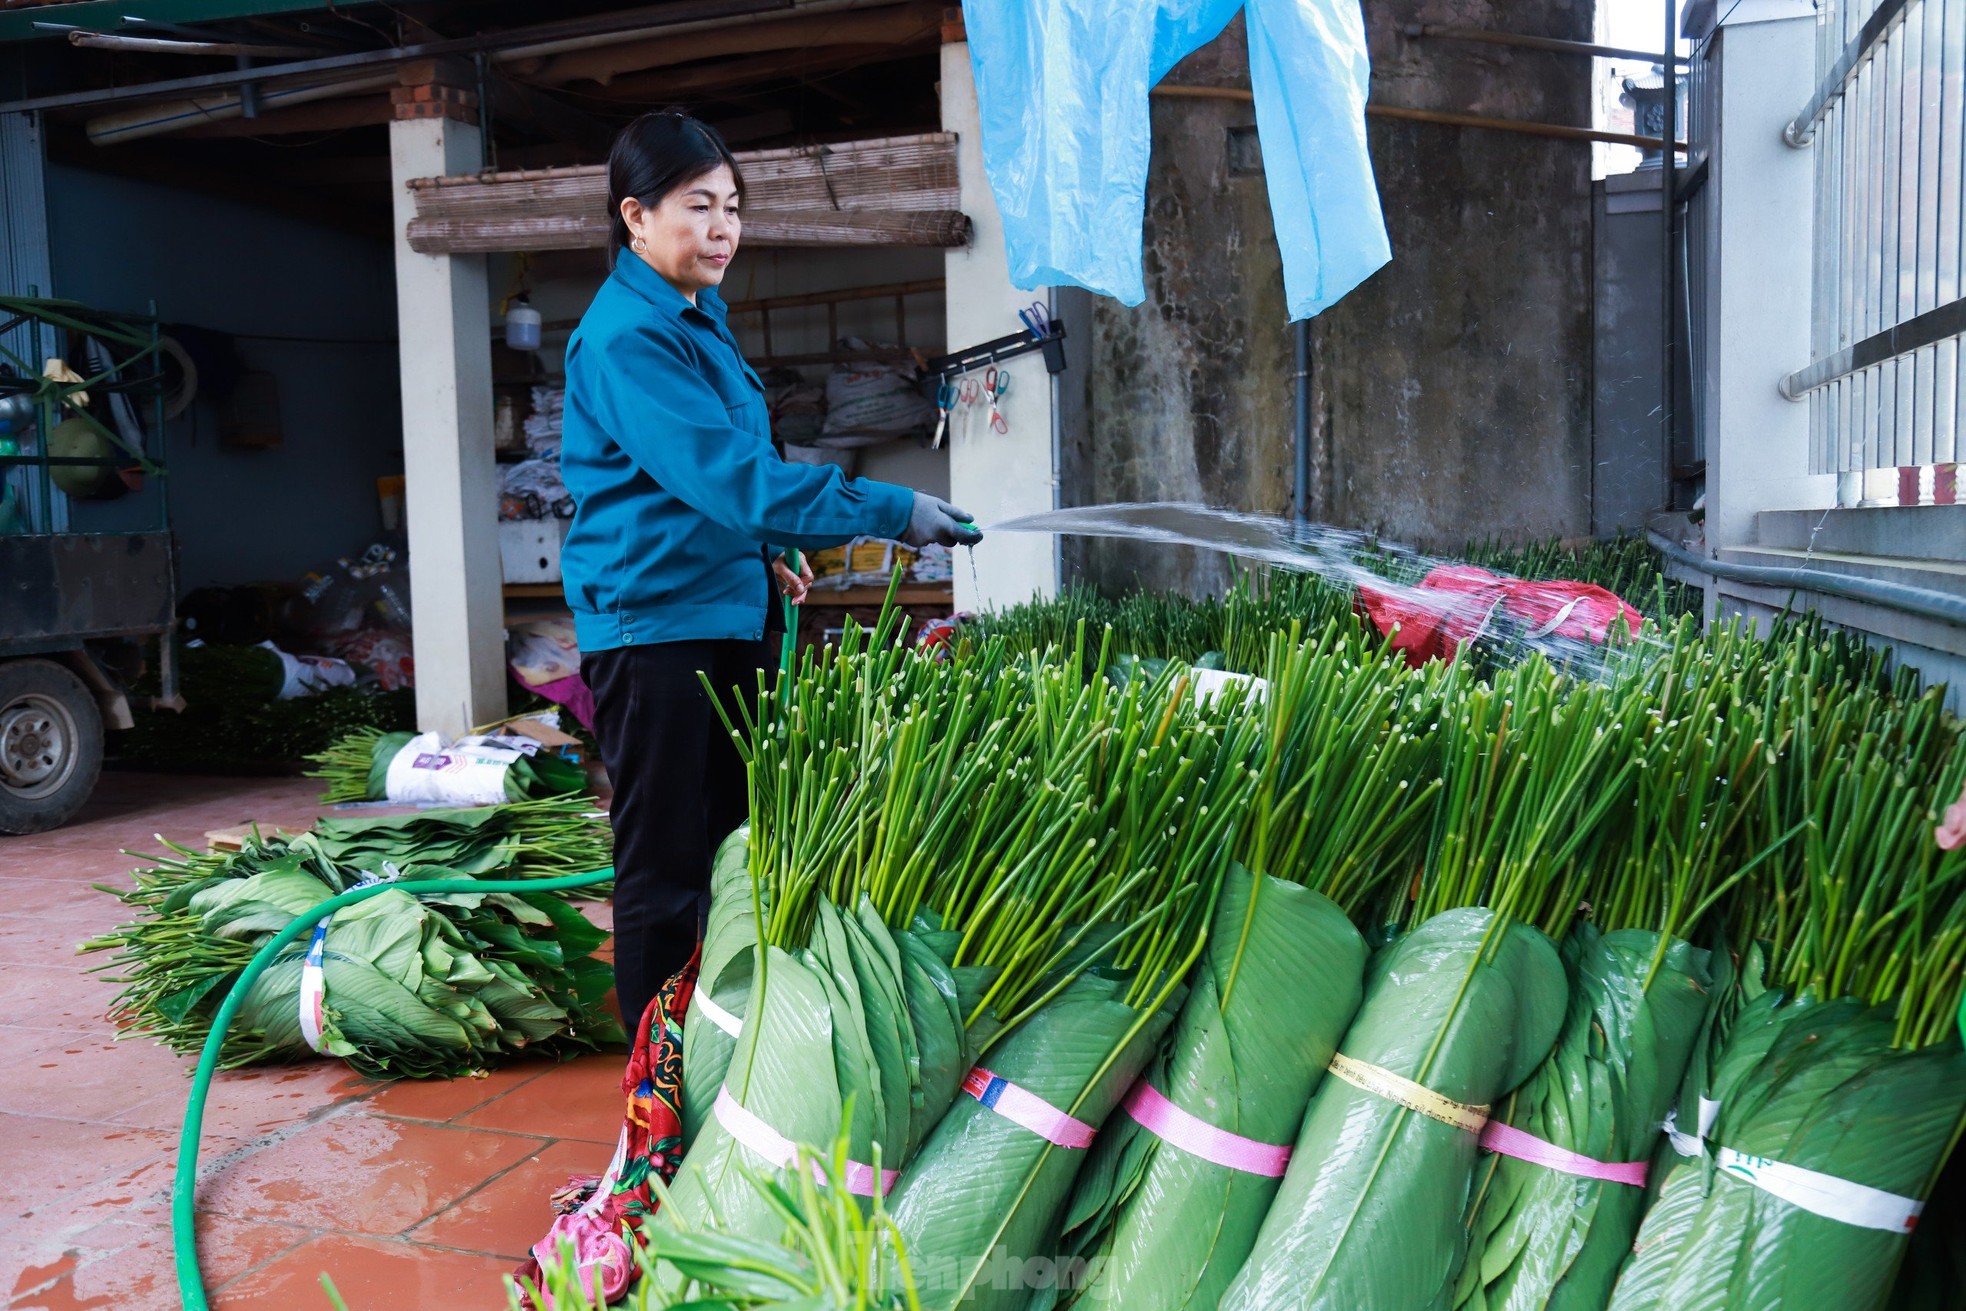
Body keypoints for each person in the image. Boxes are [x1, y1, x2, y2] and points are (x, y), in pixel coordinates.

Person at [561, 109, 982, 1032]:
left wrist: (770, 553)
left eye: (734, 208)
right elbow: (733, 478)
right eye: (698, 206)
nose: (723, 229)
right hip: (655, 631)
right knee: (666, 872)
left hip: (720, 614)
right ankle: (657, 1098)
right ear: (635, 217)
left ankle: (727, 1046)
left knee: (737, 851)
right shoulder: (628, 335)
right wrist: (893, 509)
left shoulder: (694, 318)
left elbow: (707, 484)